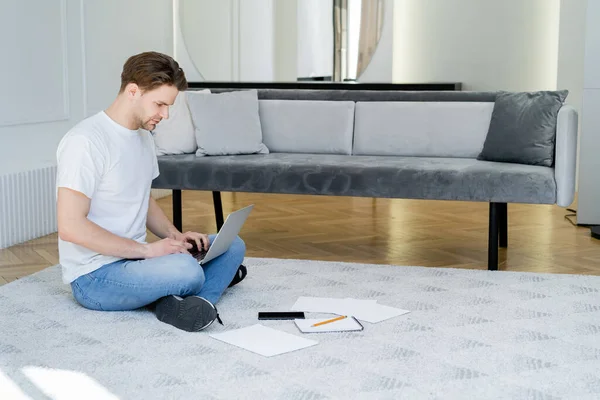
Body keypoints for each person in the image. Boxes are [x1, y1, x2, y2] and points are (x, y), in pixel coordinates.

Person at [55, 51, 247, 332]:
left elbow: (141, 199)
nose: (165, 115)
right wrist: (148, 251)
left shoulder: (143, 137)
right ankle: (195, 289)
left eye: (168, 106)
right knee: (188, 270)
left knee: (232, 245)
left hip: (135, 261)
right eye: (160, 104)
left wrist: (176, 237)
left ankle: (188, 303)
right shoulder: (85, 141)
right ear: (133, 91)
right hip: (96, 277)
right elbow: (70, 227)